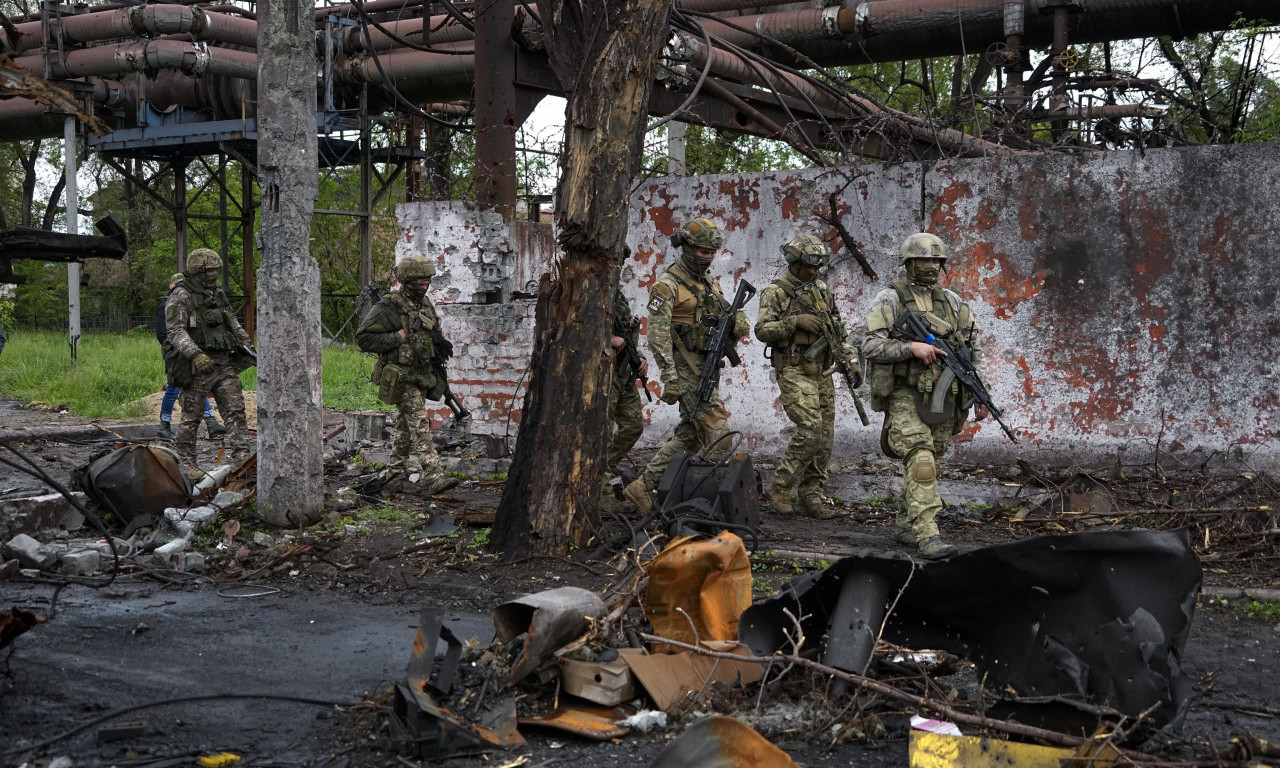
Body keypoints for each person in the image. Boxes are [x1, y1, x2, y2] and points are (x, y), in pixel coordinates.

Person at [862, 233, 990, 560]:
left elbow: (975, 348)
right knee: (921, 457)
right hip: (906, 393)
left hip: (943, 393)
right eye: (922, 259)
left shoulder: (953, 302)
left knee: (934, 455)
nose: (929, 266)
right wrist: (910, 347)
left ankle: (906, 524)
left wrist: (980, 392)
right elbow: (869, 345)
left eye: (935, 260)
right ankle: (928, 534)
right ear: (908, 263)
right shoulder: (889, 299)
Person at [624, 218, 750, 512]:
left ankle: (642, 487)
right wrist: (670, 378)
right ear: (687, 247)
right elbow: (656, 335)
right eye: (701, 251)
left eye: (711, 252)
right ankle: (707, 494)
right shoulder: (667, 285)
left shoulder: (706, 281)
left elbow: (722, 314)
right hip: (686, 372)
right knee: (720, 438)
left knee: (690, 437)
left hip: (707, 366)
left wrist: (737, 322)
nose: (706, 257)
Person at [754, 234, 859, 519]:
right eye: (808, 266)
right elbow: (762, 330)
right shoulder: (776, 292)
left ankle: (811, 496)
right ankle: (779, 487)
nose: (813, 272)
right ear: (795, 263)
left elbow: (838, 329)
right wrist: (794, 322)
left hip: (822, 370)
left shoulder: (823, 290)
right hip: (793, 367)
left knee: (825, 435)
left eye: (817, 267)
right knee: (810, 428)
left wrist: (851, 360)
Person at [355, 256, 461, 496]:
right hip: (400, 375)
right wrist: (398, 337)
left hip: (421, 373)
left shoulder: (425, 305)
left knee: (405, 426)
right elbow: (363, 338)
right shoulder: (388, 306)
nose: (425, 283)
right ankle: (433, 474)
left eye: (428, 279)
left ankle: (394, 474)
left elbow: (433, 334)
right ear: (407, 279)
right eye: (420, 279)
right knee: (420, 422)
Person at [163, 248, 253, 476]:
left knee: (235, 412)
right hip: (197, 367)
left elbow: (231, 320)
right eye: (209, 270)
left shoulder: (217, 293)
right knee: (191, 417)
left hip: (223, 363)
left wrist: (245, 342)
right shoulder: (181, 296)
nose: (213, 274)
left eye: (216, 270)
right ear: (198, 271)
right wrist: (195, 354)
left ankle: (242, 460)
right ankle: (187, 464)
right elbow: (175, 332)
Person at [155, 272, 224, 441]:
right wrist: (176, 350)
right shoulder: (165, 305)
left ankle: (211, 423)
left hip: (190, 352)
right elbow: (164, 333)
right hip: (176, 355)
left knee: (199, 385)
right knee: (173, 388)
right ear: (172, 286)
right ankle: (164, 427)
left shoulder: (188, 303)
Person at [604, 275, 648, 495]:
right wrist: (607, 339)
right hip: (603, 374)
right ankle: (601, 488)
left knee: (633, 426)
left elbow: (627, 335)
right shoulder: (591, 290)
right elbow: (574, 327)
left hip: (624, 373)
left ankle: (606, 466)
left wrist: (640, 357)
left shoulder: (616, 293)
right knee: (603, 432)